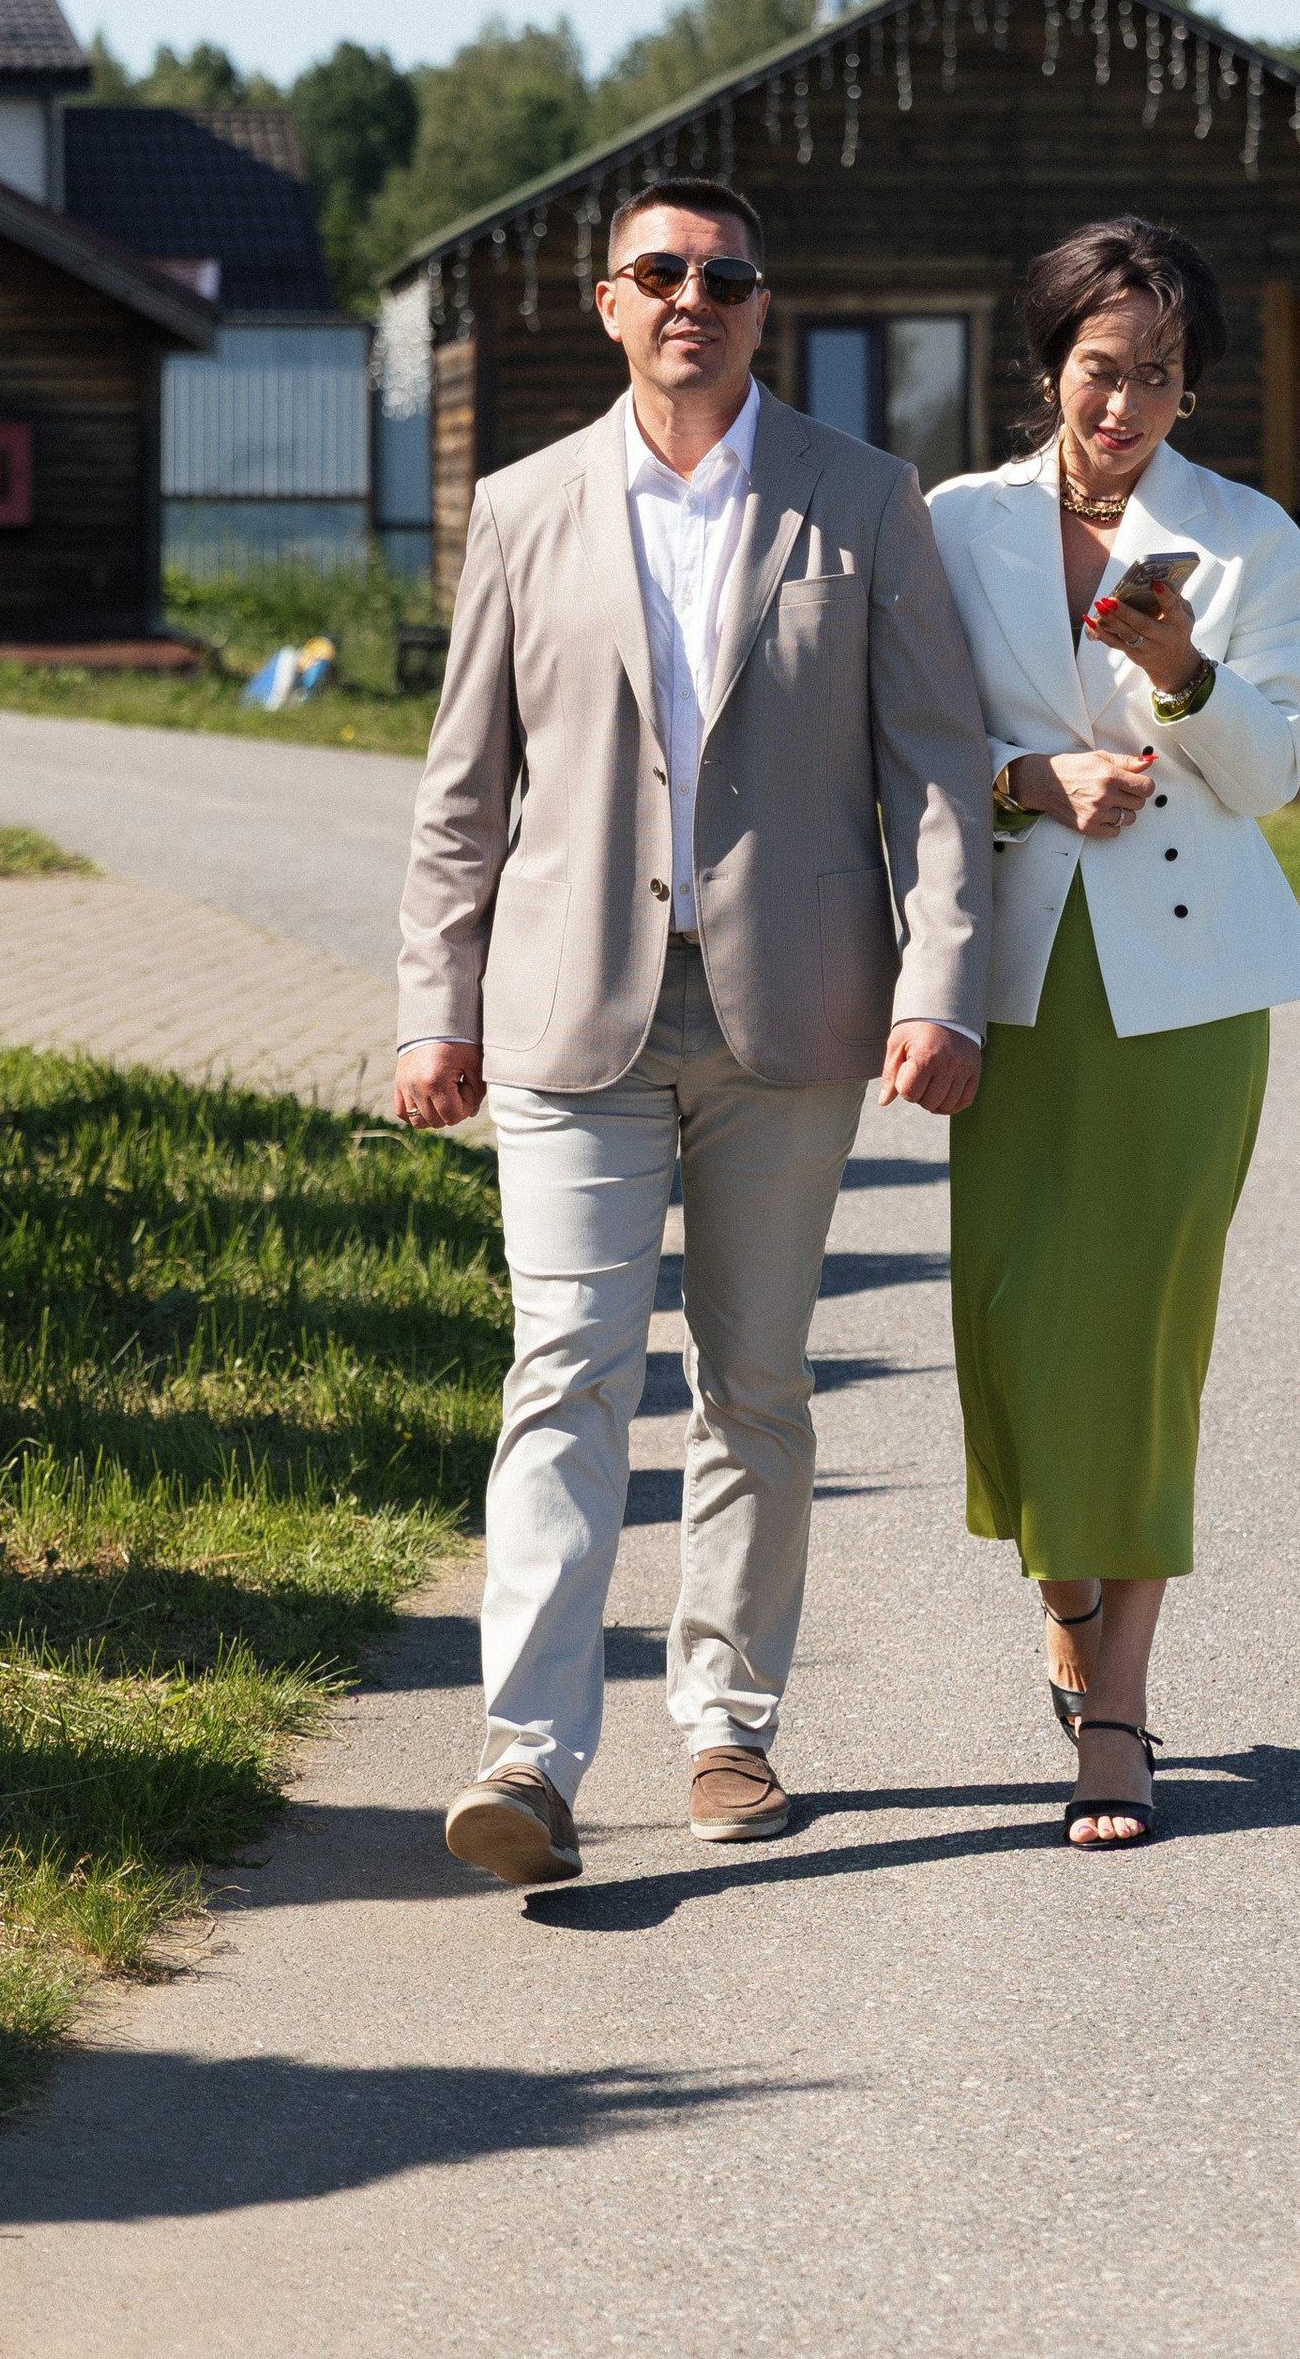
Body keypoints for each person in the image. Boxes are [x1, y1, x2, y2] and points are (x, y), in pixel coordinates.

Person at [393, 178, 991, 1887]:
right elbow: (463, 796)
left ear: (760, 305)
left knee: (755, 1383)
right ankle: (528, 1757)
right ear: (606, 302)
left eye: (725, 277)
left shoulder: (864, 500)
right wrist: (434, 1007)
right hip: (568, 1013)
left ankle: (728, 1726)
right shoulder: (520, 508)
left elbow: (937, 774)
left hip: (791, 1021)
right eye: (661, 272)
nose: (693, 299)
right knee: (565, 1371)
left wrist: (939, 985)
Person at [923, 215, 1300, 1850]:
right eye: (1103, 369)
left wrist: (1184, 676)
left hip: (1190, 996)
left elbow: (1277, 772)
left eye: (1160, 375)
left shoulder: (1246, 540)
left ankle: (1123, 1716)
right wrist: (1031, 781)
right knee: (1017, 1319)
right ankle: (1067, 1586)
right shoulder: (953, 529)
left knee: (1145, 1333)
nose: (1127, 404)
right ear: (1048, 368)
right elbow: (907, 745)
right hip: (1009, 981)